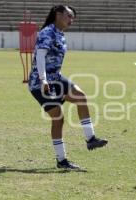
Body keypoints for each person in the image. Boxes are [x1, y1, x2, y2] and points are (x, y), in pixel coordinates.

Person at [28, 5, 108, 170]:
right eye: (69, 16)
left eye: (73, 18)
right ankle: (62, 161)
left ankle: (90, 139)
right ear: (58, 14)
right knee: (58, 119)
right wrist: (43, 80)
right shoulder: (47, 32)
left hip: (56, 78)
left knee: (80, 96)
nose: (71, 20)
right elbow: (40, 57)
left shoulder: (60, 34)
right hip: (40, 82)